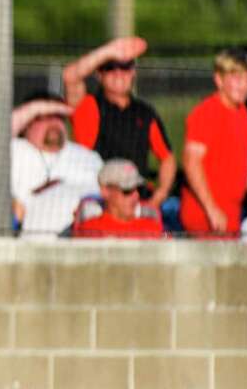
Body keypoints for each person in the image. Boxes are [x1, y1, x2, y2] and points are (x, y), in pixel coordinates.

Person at [61, 37, 175, 207]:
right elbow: (70, 77)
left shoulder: (144, 112)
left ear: (133, 72)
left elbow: (167, 158)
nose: (118, 74)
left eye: (125, 67)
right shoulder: (88, 106)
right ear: (99, 74)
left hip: (135, 200)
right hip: (99, 199)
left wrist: (158, 196)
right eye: (110, 67)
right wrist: (109, 51)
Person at [179, 48, 247, 235]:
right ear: (219, 80)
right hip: (205, 216)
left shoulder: (242, 114)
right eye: (237, 78)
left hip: (231, 215)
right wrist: (211, 209)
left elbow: (242, 160)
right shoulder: (206, 113)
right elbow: (191, 162)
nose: (243, 85)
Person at [10, 92, 103, 237]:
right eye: (44, 117)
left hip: (83, 240)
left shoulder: (88, 157)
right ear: (26, 124)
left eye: (59, 116)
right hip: (30, 242)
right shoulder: (14, 150)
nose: (53, 122)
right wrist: (35, 108)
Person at [73, 159, 165, 238]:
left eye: (139, 189)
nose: (136, 195)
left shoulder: (153, 228)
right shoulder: (89, 231)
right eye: (127, 190)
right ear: (105, 191)